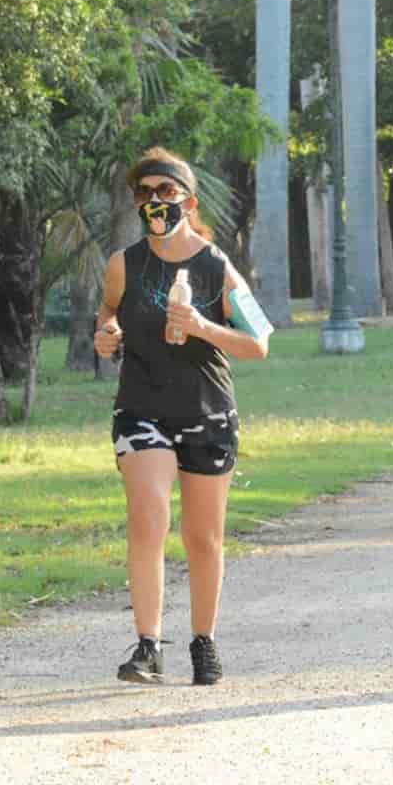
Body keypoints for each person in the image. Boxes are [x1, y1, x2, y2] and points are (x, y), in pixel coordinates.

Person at [94, 148, 272, 686]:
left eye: (166, 192)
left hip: (206, 411)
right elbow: (109, 310)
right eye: (145, 193)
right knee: (148, 518)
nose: (155, 201)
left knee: (204, 537)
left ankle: (203, 642)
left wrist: (201, 327)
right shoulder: (124, 264)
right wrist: (106, 333)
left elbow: (258, 343)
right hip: (142, 408)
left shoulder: (217, 267)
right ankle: (148, 647)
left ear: (189, 202)